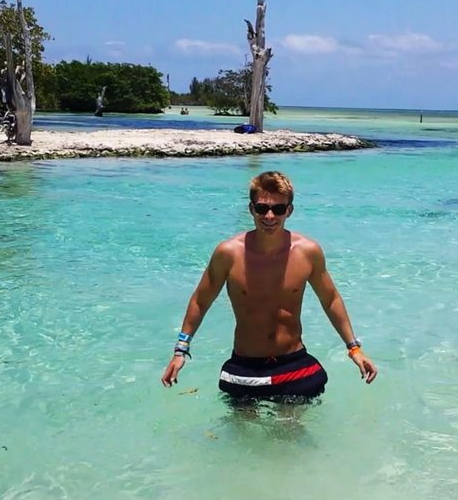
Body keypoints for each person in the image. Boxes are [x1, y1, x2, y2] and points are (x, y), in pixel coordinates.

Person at [161, 170, 378, 401]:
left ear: (289, 211)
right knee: (243, 436)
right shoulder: (229, 253)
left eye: (279, 209)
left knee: (292, 435)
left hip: (292, 363)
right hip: (245, 366)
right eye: (262, 208)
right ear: (251, 209)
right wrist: (180, 350)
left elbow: (330, 299)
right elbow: (200, 300)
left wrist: (354, 348)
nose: (270, 216)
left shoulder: (307, 252)